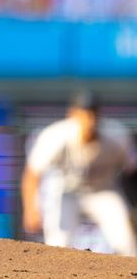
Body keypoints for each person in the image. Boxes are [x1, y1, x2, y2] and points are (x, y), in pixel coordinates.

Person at [21, 89, 137, 256]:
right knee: (58, 245)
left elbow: (132, 169)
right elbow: (32, 173)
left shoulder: (116, 136)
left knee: (126, 244)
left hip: (102, 191)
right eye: (83, 114)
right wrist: (31, 208)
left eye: (92, 114)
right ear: (72, 114)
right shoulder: (56, 136)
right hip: (67, 192)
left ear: (98, 115)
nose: (88, 120)